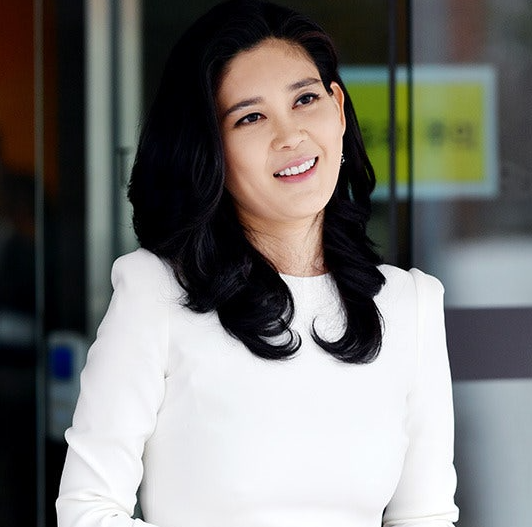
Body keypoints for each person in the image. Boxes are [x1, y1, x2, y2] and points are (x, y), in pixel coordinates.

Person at [56, 1, 459, 526]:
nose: (289, 135)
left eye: (305, 99)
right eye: (250, 117)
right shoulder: (155, 291)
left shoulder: (411, 305)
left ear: (339, 109)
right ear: (211, 149)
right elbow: (88, 509)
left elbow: (425, 516)